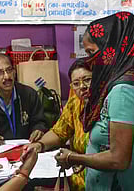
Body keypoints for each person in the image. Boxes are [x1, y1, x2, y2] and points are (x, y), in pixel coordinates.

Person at [55, 12, 134, 191]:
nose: (90, 61)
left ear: (111, 48)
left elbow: (118, 159)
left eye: (91, 53)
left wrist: (73, 158)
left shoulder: (123, 92)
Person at [25, 58, 91, 191]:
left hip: (96, 175)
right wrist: (39, 145)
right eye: (76, 83)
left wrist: (77, 159)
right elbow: (59, 132)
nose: (82, 87)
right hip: (75, 176)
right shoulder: (75, 103)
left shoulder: (108, 104)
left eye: (87, 80)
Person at [0, 53, 46, 146]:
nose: (7, 76)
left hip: (26, 149)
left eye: (9, 70)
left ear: (14, 72)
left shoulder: (29, 94)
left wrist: (38, 129)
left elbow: (40, 121)